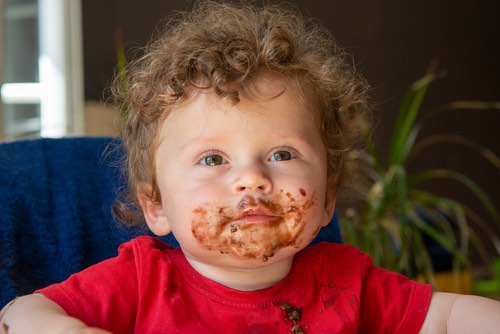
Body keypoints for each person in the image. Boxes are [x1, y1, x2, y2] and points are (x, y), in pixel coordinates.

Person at [1, 1, 500, 333]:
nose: (252, 178)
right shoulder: (142, 280)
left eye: (282, 154)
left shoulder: (348, 283)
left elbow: (451, 317)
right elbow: (21, 313)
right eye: (213, 159)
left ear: (327, 197)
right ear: (155, 206)